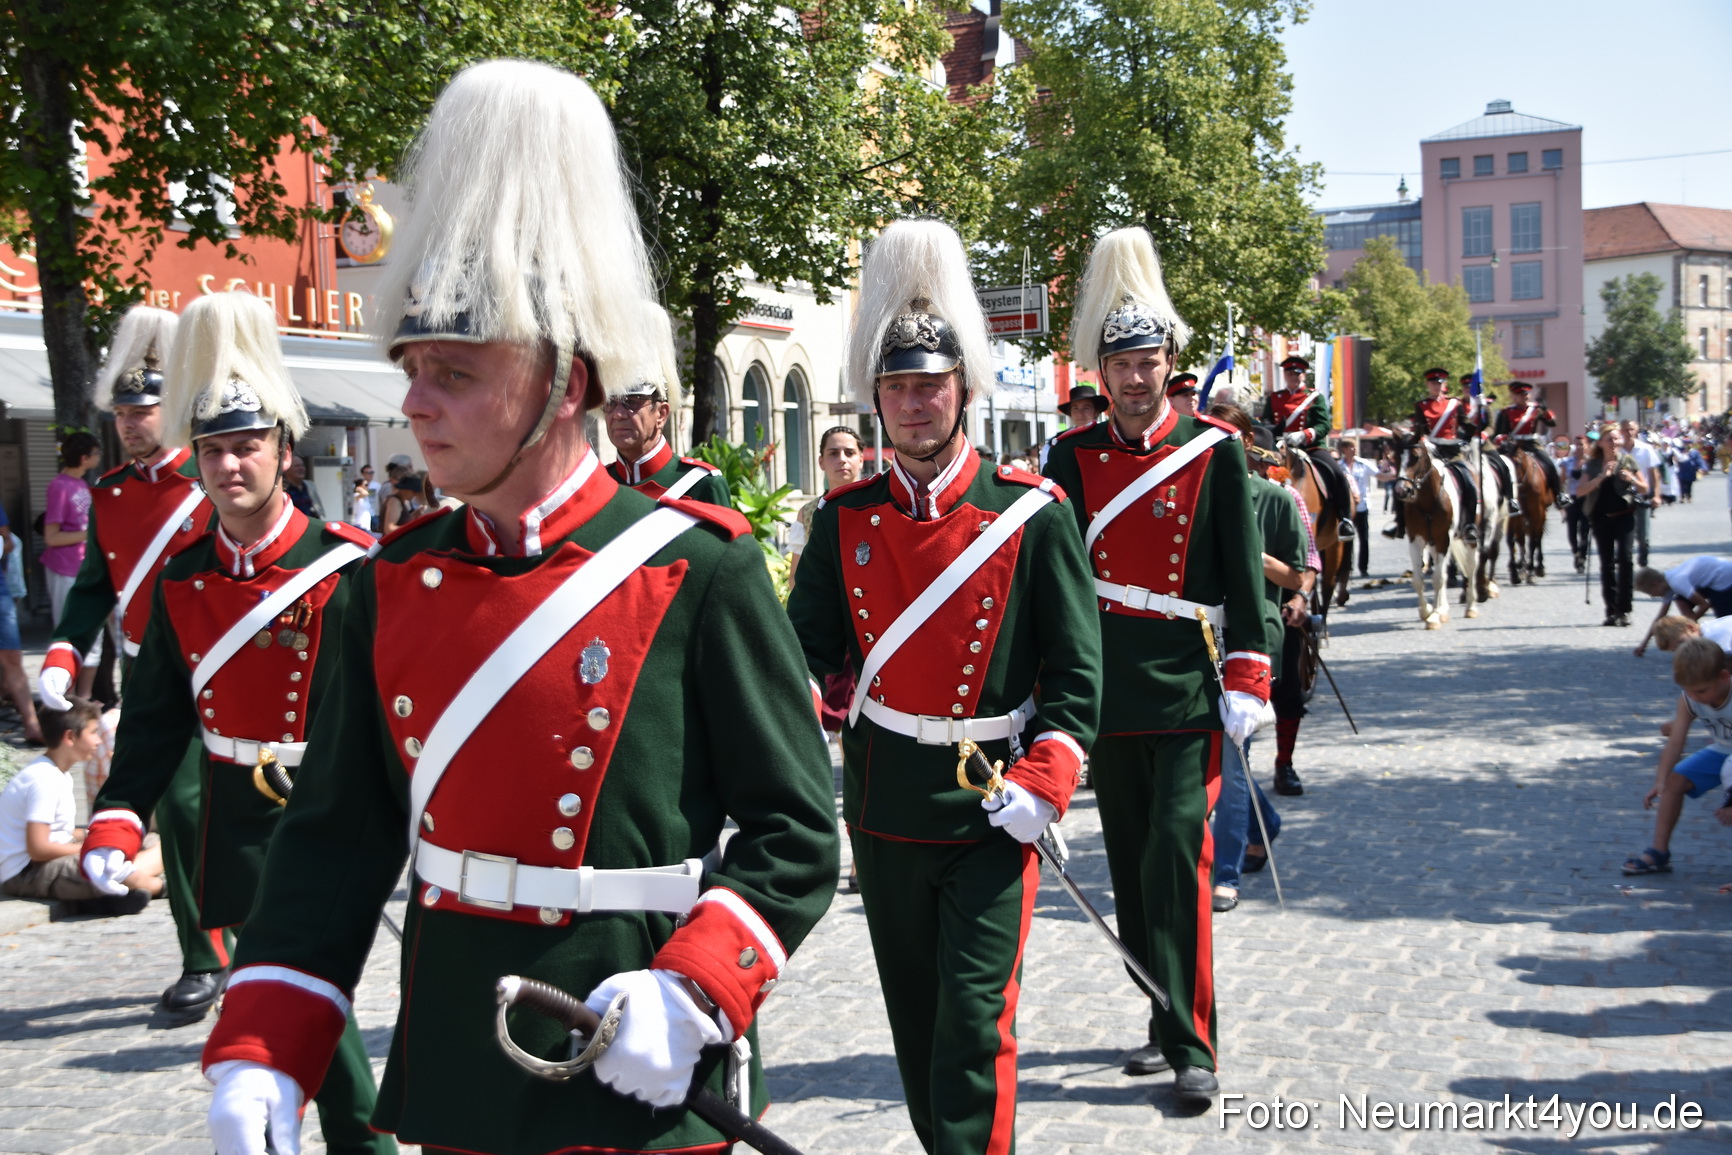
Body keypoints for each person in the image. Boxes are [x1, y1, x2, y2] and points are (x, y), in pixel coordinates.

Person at [199, 61, 839, 1155]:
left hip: (640, 1056)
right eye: (410, 366)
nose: (414, 403)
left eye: (452, 369)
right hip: (462, 1063)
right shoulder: (386, 582)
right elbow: (336, 841)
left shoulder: (698, 568)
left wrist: (696, 989)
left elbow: (791, 832)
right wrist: (266, 1039)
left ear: (567, 381)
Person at [786, 219, 1098, 1151]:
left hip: (992, 805)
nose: (916, 405)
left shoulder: (1030, 515)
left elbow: (1079, 676)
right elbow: (801, 658)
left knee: (973, 1025)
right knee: (919, 1027)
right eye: (898, 388)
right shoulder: (844, 520)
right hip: (884, 808)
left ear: (962, 390)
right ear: (876, 400)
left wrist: (1047, 778)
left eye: (931, 386)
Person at [75, 291, 390, 1153]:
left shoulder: (348, 568)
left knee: (304, 991)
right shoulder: (183, 581)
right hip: (241, 819)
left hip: (331, 807)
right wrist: (119, 809)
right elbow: (153, 720)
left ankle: (363, 1143)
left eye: (246, 446)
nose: (228, 466)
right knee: (287, 991)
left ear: (285, 454)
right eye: (213, 450)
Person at [1041, 226, 1271, 1107]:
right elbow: (1056, 587)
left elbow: (1243, 579)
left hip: (1183, 689)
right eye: (1120, 364)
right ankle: (1157, 1009)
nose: (1134, 379)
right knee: (1132, 866)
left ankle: (1191, 1040)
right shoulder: (1071, 458)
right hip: (1105, 695)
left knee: (1177, 854)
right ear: (1101, 371)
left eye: (1148, 362)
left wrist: (1249, 676)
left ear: (1169, 362)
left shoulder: (1214, 451)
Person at [37, 303, 219, 1012]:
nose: (128, 424)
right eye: (121, 413)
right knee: (175, 808)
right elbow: (93, 586)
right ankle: (202, 954)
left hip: (225, 664)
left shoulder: (209, 481)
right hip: (151, 674)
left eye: (141, 412)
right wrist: (62, 650)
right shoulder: (107, 495)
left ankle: (259, 943)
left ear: (170, 410)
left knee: (236, 808)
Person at [1202, 410, 1302, 912]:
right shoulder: (1195, 491)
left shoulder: (1277, 498)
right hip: (1200, 639)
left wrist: (1250, 553)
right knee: (1229, 756)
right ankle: (1269, 823)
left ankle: (1227, 871)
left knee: (1233, 757)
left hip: (1253, 638)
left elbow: (1298, 578)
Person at [1, 698, 164, 911]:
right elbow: (38, 849)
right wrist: (85, 848)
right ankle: (158, 887)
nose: (98, 741)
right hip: (26, 873)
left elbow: (61, 832)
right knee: (104, 863)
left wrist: (94, 835)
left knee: (153, 842)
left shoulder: (57, 773)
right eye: (93, 732)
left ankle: (123, 885)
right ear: (70, 737)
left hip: (47, 862)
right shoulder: (44, 780)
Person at [1623, 638, 1732, 876]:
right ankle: (1658, 852)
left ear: (1724, 677)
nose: (1696, 696)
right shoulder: (1690, 699)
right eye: (1688, 690)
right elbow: (1675, 742)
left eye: (1701, 690)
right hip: (1724, 749)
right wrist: (1660, 781)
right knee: (1674, 781)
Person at [603, 302, 730, 505]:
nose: (617, 414)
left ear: (661, 414)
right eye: (611, 402)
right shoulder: (600, 484)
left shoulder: (701, 485)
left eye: (632, 402)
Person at [1262, 354, 1355, 540]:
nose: (1294, 376)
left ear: (1303, 375)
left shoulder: (1313, 396)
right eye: (1290, 372)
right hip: (1281, 448)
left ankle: (1344, 520)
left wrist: (1304, 435)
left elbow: (1324, 424)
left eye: (1298, 373)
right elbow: (1266, 421)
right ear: (1285, 374)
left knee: (1336, 473)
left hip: (1311, 449)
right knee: (1263, 474)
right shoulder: (1275, 398)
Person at [43, 430, 103, 695]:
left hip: (86, 568)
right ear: (84, 457)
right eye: (96, 453)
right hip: (64, 568)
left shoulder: (81, 484)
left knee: (95, 636)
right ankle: (66, 699)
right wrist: (91, 534)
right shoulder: (59, 486)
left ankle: (85, 700)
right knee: (69, 633)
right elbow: (52, 536)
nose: (99, 457)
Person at [1394, 368, 1480, 543]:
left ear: (1445, 385)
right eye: (1433, 383)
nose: (1436, 386)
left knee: (1469, 483)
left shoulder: (1454, 404)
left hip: (1453, 452)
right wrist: (1423, 440)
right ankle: (1400, 523)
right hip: (1431, 453)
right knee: (1404, 482)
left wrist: (1467, 439)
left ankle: (1469, 525)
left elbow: (1466, 425)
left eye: (1439, 383)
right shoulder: (1421, 405)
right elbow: (1420, 429)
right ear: (1428, 385)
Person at [1577, 426, 1648, 627]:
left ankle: (1625, 610)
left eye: (1616, 439)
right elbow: (1580, 491)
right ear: (1600, 443)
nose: (1614, 443)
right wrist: (1601, 477)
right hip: (1601, 518)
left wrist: (1631, 478)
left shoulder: (1628, 461)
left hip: (1625, 516)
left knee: (1625, 560)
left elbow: (1644, 488)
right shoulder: (1592, 465)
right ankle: (1611, 610)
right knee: (1607, 564)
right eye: (1609, 439)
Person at [786, 424, 863, 584]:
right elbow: (796, 576)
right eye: (833, 453)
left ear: (861, 459)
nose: (842, 459)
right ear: (821, 462)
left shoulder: (881, 503)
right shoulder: (807, 512)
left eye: (849, 453)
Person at [1631, 556, 1732, 657]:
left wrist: (1687, 624)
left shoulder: (1677, 582)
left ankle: (1696, 635)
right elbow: (1659, 619)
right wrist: (1643, 644)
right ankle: (1694, 638)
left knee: (1724, 616)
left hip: (1724, 578)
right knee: (1680, 600)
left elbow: (1704, 605)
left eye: (1650, 592)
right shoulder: (1668, 584)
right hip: (1710, 581)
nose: (1652, 596)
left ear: (1655, 584)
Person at [1492, 382, 1561, 500]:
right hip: (1512, 445)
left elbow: (1552, 423)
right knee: (1499, 466)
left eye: (1526, 394)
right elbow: (1498, 433)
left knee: (1550, 464)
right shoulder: (1506, 411)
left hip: (1531, 443)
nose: (1524, 397)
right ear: (1513, 396)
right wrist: (1502, 439)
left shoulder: (1536, 409)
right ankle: (1501, 496)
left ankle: (1559, 494)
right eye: (1520, 394)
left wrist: (1545, 411)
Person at [1036, 382, 1109, 471]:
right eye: (1075, 408)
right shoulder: (1055, 443)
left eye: (1086, 408)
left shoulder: (1108, 436)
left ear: (1096, 412)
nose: (1080, 413)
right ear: (1070, 412)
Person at [1622, 421, 1661, 567]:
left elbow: (1653, 474)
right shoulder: (1617, 450)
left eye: (1631, 429)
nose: (1628, 432)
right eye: (1625, 429)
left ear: (1636, 431)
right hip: (1622, 496)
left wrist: (1656, 495)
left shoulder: (1645, 449)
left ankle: (1643, 557)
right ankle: (1626, 559)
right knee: (1625, 531)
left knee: (1643, 534)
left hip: (1641, 495)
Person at [1338, 437, 1376, 576]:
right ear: (1344, 449)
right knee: (1348, 538)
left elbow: (1379, 475)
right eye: (1351, 447)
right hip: (1347, 508)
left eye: (1355, 447)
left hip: (1362, 506)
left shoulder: (1363, 464)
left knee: (1364, 538)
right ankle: (1348, 567)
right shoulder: (1339, 466)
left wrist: (1392, 475)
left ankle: (1363, 568)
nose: (1354, 449)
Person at [1562, 436, 1590, 572]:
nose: (1580, 447)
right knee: (1572, 531)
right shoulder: (1567, 462)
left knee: (1585, 531)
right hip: (1572, 499)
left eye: (1582, 444)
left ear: (1587, 446)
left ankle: (1582, 557)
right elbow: (1561, 482)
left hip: (1586, 499)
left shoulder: (1591, 462)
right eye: (1577, 444)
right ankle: (1575, 552)